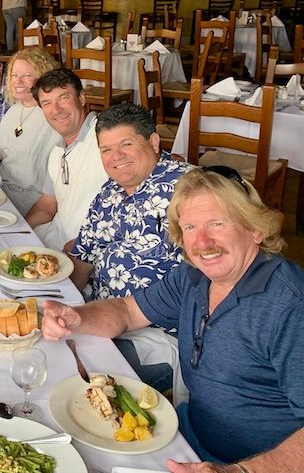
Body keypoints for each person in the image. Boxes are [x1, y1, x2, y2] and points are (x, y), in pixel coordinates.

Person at [41, 167, 304, 471]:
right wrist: (76, 317)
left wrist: (241, 470)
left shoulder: (290, 305)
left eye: (217, 223)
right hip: (185, 438)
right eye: (190, 227)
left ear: (255, 229)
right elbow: (127, 312)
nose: (202, 242)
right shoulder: (194, 277)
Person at [71, 102, 192, 393]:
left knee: (73, 376)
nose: (116, 157)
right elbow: (83, 260)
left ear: (153, 142)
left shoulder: (188, 190)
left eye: (126, 144)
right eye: (106, 149)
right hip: (101, 314)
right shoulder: (109, 191)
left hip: (157, 333)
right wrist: (64, 303)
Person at [0, 47, 60, 214]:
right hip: (3, 190)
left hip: (29, 201)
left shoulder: (52, 116)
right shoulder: (15, 109)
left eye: (26, 75)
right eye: (14, 75)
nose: (18, 81)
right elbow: (3, 150)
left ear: (44, 76)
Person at [25, 68, 107, 250]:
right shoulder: (57, 152)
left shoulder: (105, 138)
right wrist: (20, 233)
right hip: (53, 242)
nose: (56, 110)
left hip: (87, 252)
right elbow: (47, 205)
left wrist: (81, 251)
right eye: (46, 103)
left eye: (63, 98)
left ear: (82, 98)